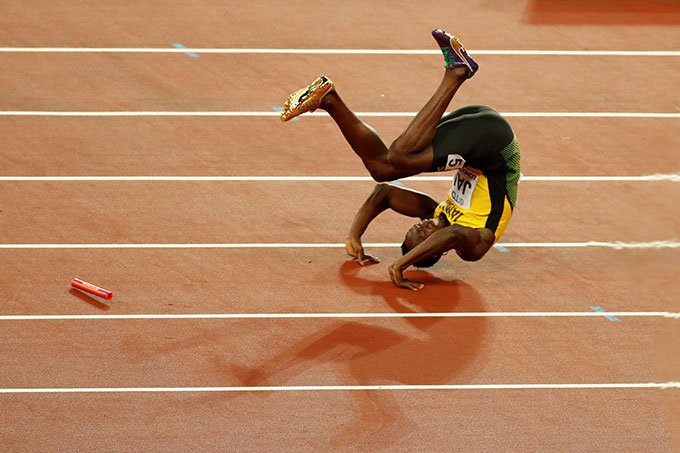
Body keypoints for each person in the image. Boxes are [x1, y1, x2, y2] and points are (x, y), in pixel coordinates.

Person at [280, 29, 521, 290]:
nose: (422, 225)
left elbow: (384, 194)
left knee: (382, 168)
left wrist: (354, 234)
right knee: (398, 157)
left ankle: (329, 100)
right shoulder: (474, 245)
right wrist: (400, 264)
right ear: (438, 251)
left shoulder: (437, 212)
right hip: (495, 146)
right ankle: (457, 72)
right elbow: (452, 235)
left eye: (415, 228)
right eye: (422, 235)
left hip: (477, 134)